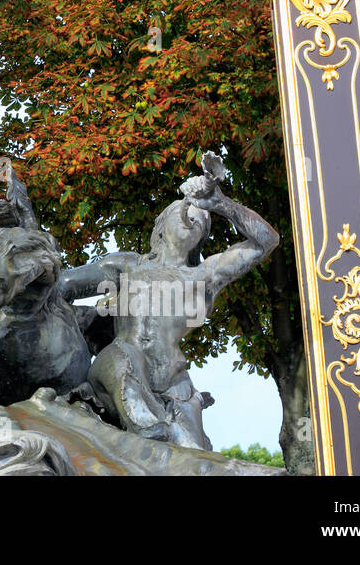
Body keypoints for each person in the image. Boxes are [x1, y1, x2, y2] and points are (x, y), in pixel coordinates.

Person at [58, 156, 280, 450]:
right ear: (161, 227)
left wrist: (220, 203)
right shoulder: (128, 265)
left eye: (202, 219)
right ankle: (148, 429)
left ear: (201, 236)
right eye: (184, 209)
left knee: (196, 458)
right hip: (119, 365)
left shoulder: (204, 275)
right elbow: (63, 285)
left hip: (174, 385)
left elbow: (267, 241)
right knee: (126, 366)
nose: (194, 215)